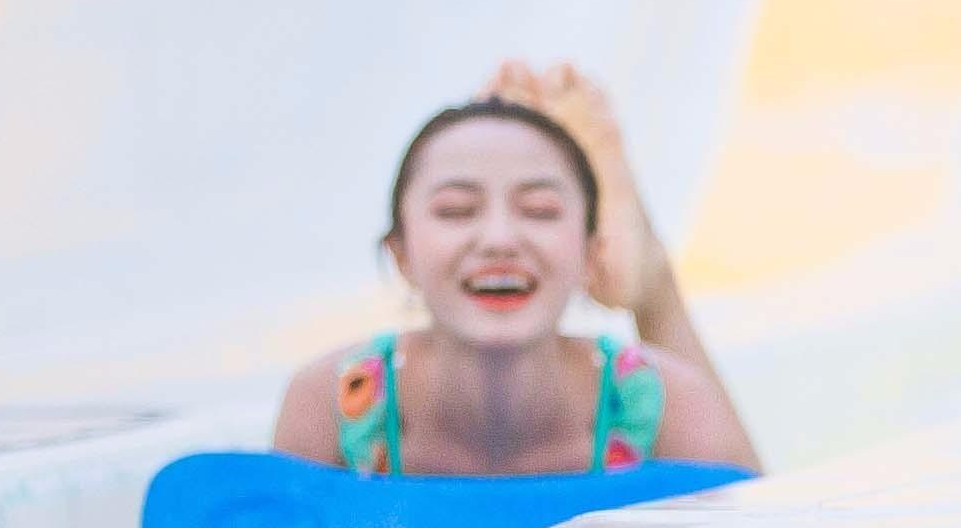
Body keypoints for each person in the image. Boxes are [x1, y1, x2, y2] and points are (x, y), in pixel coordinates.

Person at [271, 61, 758, 479]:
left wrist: (654, 292)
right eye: (456, 210)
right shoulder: (334, 410)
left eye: (541, 210)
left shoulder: (660, 404)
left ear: (590, 253)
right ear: (401, 255)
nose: (500, 239)